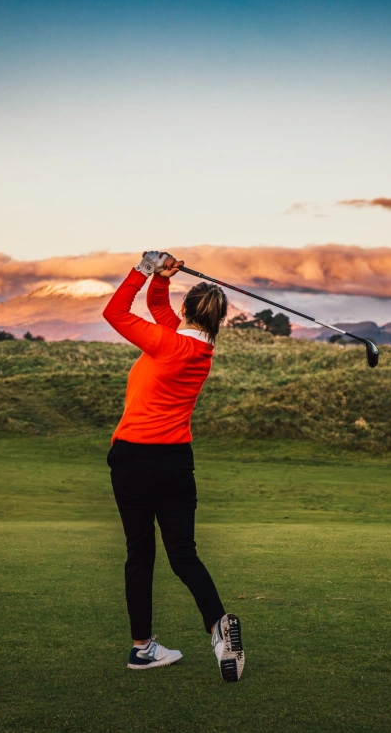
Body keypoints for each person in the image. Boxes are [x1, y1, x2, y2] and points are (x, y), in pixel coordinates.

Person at [103, 250, 245, 683]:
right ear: (217, 320)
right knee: (183, 555)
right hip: (175, 462)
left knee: (139, 553)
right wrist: (162, 280)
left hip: (132, 458)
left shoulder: (167, 342)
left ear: (187, 310)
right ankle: (217, 626)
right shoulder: (199, 349)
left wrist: (144, 268)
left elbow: (114, 311)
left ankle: (143, 648)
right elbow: (160, 311)